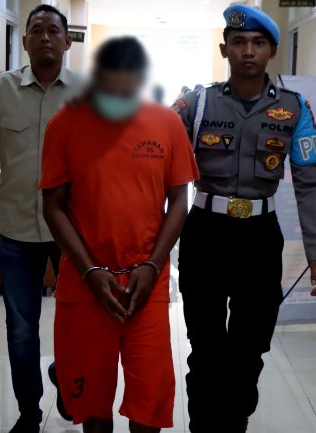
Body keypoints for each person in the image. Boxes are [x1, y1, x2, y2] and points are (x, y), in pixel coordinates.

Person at [170, 4, 316, 432]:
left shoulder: (295, 110)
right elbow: (158, 166)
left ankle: (235, 417)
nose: (248, 51)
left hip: (259, 240)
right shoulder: (195, 104)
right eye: (239, 42)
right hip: (205, 234)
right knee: (206, 347)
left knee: (249, 348)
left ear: (272, 51)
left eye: (258, 43)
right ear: (224, 49)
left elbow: (312, 182)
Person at [40, 36, 199, 433]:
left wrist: (153, 264)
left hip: (146, 283)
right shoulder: (65, 125)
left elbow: (180, 200)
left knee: (150, 401)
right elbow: (53, 207)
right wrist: (90, 271)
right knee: (93, 406)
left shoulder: (167, 124)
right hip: (86, 283)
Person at [0, 4, 83, 433]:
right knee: (21, 329)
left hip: (72, 234)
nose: (45, 37)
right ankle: (28, 412)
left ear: (67, 42)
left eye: (54, 31)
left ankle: (67, 380)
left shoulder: (87, 94)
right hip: (16, 233)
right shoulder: (2, 88)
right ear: (25, 41)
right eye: (37, 30)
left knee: (77, 322)